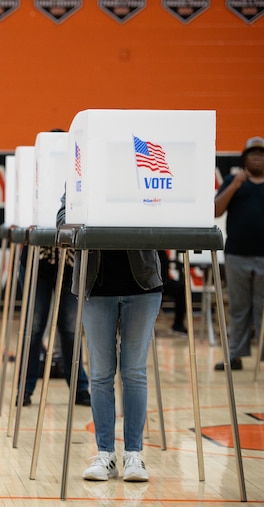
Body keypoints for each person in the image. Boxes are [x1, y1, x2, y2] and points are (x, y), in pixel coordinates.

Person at [58, 192, 162, 483]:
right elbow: (62, 221)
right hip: (95, 285)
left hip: (142, 284)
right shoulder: (82, 173)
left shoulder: (140, 167)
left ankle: (134, 454)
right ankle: (105, 454)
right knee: (101, 374)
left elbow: (162, 214)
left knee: (134, 372)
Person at [16, 245, 91, 407]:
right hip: (36, 261)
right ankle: (24, 388)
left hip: (71, 264)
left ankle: (80, 388)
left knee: (71, 328)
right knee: (34, 328)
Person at [213, 136, 264, 371]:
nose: (257, 157)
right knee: (238, 307)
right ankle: (234, 355)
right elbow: (216, 210)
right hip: (236, 255)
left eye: (261, 154)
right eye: (253, 154)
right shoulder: (234, 180)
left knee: (262, 308)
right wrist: (234, 185)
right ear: (245, 158)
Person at [158, 249, 188, 336]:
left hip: (163, 281)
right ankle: (178, 325)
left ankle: (178, 324)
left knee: (182, 288)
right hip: (151, 283)